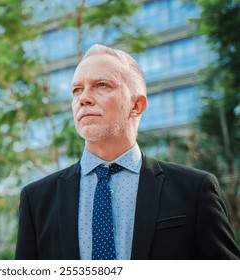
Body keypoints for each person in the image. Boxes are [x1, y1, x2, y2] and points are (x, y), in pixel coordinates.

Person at [15, 44, 240, 260]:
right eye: (77, 89)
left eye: (101, 85)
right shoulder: (36, 200)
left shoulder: (195, 190)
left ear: (137, 105)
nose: (83, 98)